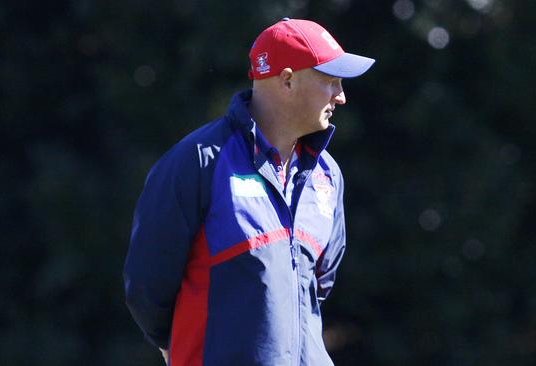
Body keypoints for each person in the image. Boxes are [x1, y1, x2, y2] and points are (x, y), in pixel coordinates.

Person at [123, 18, 375, 366]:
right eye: (330, 80)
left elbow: (318, 287)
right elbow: (147, 287)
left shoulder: (328, 175)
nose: (341, 96)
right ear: (287, 80)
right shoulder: (197, 162)